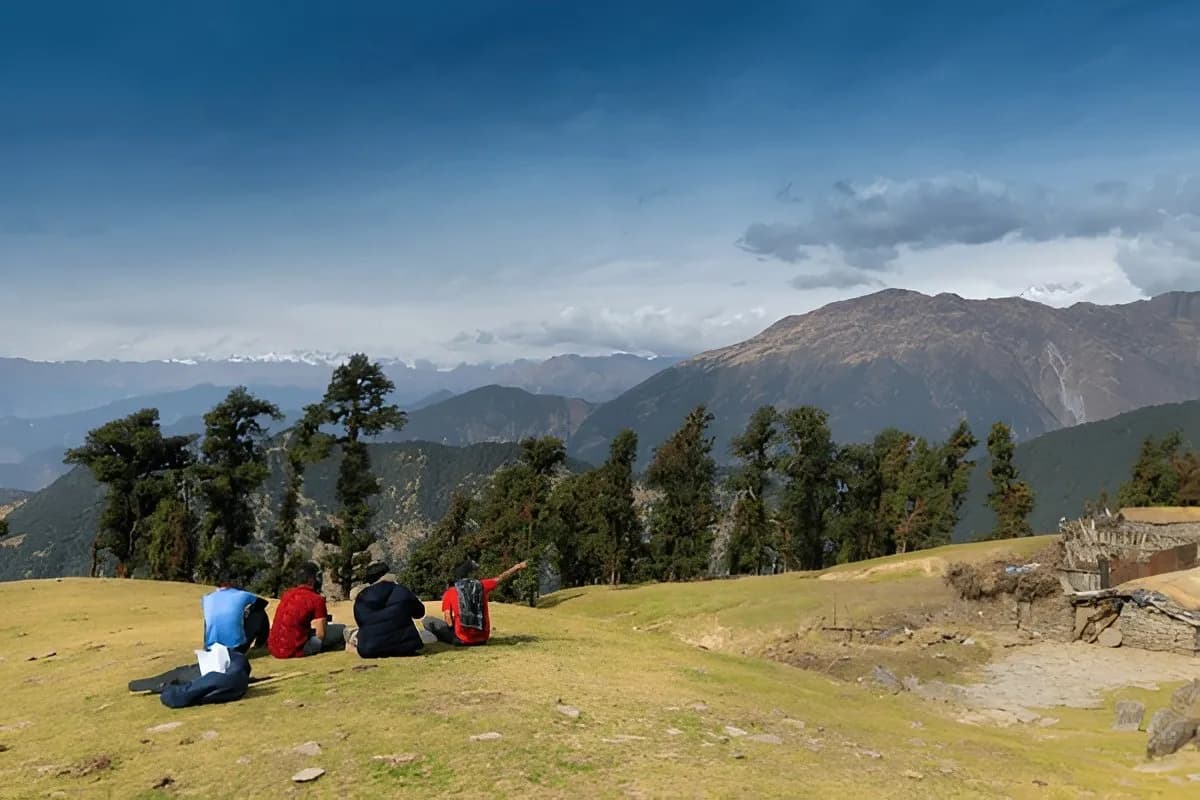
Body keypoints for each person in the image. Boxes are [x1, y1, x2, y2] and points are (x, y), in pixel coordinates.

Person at [423, 558, 527, 646]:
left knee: (427, 621)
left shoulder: (450, 592)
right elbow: (500, 578)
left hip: (462, 639)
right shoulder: (482, 585)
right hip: (483, 639)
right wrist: (517, 567)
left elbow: (448, 619)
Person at [347, 562, 428, 658]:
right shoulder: (401, 590)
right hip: (405, 646)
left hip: (370, 649)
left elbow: (360, 622)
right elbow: (419, 613)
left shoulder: (361, 597)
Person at [268, 562, 345, 659]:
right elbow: (321, 635)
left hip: (274, 649)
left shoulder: (287, 594)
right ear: (311, 579)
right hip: (296, 650)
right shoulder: (316, 599)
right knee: (341, 629)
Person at [201, 582, 270, 654]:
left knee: (211, 618)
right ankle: (260, 643)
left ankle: (207, 647)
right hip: (236, 648)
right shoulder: (242, 594)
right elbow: (263, 603)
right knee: (259, 612)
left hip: (211, 649)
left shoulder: (206, 597)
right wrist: (248, 610)